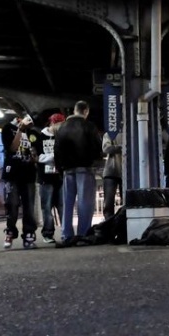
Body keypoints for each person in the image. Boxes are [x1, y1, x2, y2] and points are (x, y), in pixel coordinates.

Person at [53, 100, 102, 246]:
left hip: (67, 170)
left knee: (67, 203)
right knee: (85, 202)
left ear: (75, 110)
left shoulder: (62, 127)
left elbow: (57, 150)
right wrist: (95, 162)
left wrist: (60, 168)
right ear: (86, 111)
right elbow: (97, 147)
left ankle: (66, 235)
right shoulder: (89, 126)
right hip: (85, 168)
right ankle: (83, 235)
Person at [1, 113, 41, 249]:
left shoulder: (33, 133)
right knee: (12, 205)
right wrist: (20, 130)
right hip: (11, 173)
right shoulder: (8, 128)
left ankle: (29, 234)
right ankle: (10, 231)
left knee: (29, 206)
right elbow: (12, 148)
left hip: (29, 174)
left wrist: (34, 157)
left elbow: (37, 153)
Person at [37, 113, 65, 243]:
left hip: (59, 176)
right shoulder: (40, 136)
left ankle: (66, 232)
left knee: (62, 205)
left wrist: (48, 158)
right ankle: (48, 233)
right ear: (52, 123)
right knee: (46, 206)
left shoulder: (61, 137)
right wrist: (54, 156)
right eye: (59, 125)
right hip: (45, 177)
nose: (60, 128)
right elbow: (38, 157)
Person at [101, 127, 123, 219]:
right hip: (113, 171)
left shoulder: (109, 134)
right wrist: (122, 147)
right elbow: (106, 148)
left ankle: (111, 222)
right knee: (109, 203)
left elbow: (106, 148)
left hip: (113, 171)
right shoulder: (109, 134)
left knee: (109, 204)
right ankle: (110, 222)